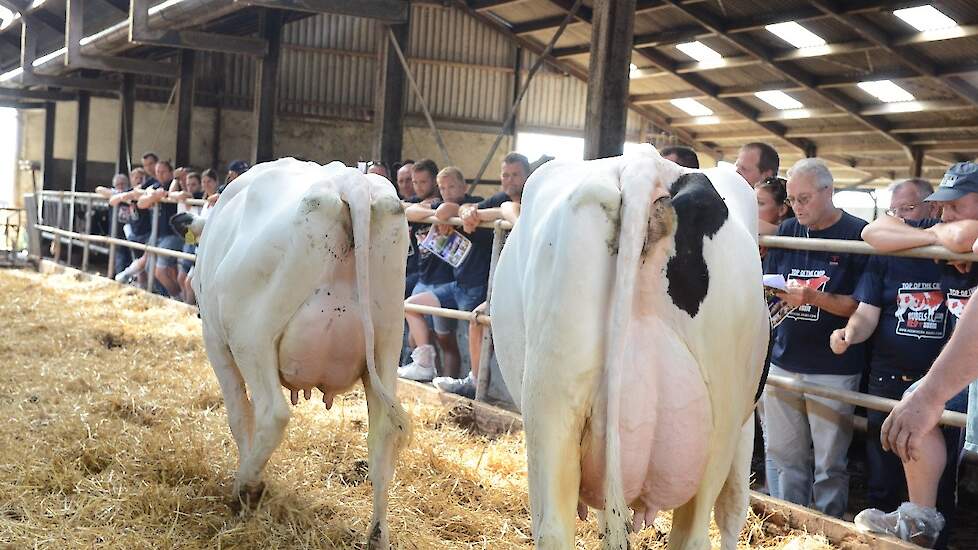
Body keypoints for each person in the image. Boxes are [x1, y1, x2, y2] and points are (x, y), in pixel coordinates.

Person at [853, 163, 978, 547]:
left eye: (957, 205)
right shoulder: (937, 232)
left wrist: (944, 237)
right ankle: (921, 519)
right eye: (942, 206)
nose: (946, 213)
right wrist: (939, 237)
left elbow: (968, 233)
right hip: (964, 365)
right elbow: (872, 230)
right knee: (916, 406)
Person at [828, 179, 957, 522]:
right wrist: (849, 333)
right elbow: (867, 313)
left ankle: (931, 541)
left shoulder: (957, 248)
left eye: (909, 209)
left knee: (938, 483)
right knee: (882, 477)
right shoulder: (885, 254)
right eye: (894, 210)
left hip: (938, 385)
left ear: (933, 207)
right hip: (888, 379)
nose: (900, 218)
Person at [762, 157, 868, 518]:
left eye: (804, 198)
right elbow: (769, 281)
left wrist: (812, 297)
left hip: (832, 365)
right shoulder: (787, 231)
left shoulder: (858, 233)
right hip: (783, 358)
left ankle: (828, 531)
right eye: (792, 199)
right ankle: (787, 525)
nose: (797, 207)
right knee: (782, 455)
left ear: (829, 191)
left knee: (830, 464)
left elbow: (860, 305)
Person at [433, 152, 530, 398]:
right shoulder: (499, 199)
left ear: (527, 176)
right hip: (511, 283)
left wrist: (493, 213)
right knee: (478, 318)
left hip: (534, 278)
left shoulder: (532, 197)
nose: (510, 180)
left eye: (516, 174)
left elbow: (512, 210)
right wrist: (468, 211)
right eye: (505, 175)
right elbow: (471, 209)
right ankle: (476, 382)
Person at [399, 159, 460, 381]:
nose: (417, 186)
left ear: (434, 182)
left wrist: (427, 211)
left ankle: (446, 382)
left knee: (445, 339)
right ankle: (425, 373)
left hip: (443, 278)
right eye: (415, 182)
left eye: (423, 182)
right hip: (424, 279)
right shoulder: (419, 202)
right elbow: (404, 208)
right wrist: (424, 210)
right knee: (414, 337)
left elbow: (443, 211)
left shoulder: (441, 204)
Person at [136, 160, 184, 298]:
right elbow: (140, 203)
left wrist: (161, 194)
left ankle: (178, 297)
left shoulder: (176, 185)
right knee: (149, 267)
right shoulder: (155, 186)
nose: (160, 174)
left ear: (170, 172)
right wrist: (153, 196)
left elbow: (173, 194)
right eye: (157, 172)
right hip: (157, 233)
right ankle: (165, 295)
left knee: (161, 271)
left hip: (173, 233)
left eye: (163, 171)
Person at [113, 167, 153, 285]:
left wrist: (132, 195)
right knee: (139, 262)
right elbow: (112, 199)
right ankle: (141, 286)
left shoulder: (147, 191)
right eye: (136, 178)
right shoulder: (128, 191)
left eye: (142, 178)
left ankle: (127, 275)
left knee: (146, 262)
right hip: (135, 231)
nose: (139, 180)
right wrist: (123, 196)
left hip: (147, 231)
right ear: (131, 179)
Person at [169, 171, 205, 303]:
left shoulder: (200, 197)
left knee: (188, 279)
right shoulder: (184, 195)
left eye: (194, 184)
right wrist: (176, 180)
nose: (190, 187)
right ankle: (185, 303)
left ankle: (190, 306)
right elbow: (170, 194)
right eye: (188, 184)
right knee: (182, 277)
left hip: (198, 240)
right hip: (189, 239)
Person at [95, 174, 135, 278]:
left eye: (123, 184)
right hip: (117, 231)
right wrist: (118, 194)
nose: (121, 186)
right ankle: (119, 278)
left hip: (132, 231)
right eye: (118, 184)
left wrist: (124, 196)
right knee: (119, 256)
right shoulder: (113, 193)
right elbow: (98, 189)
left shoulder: (131, 192)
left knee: (132, 257)